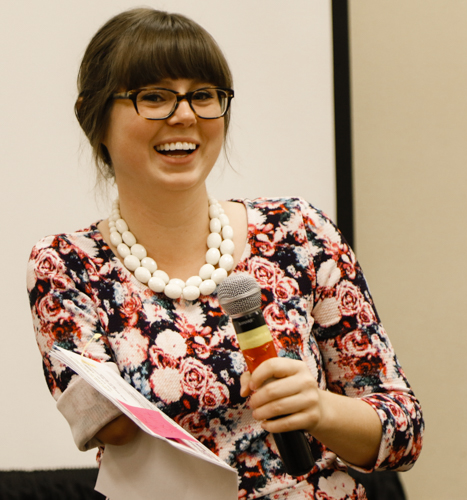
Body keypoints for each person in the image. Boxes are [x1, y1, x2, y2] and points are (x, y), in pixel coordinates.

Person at [27, 8, 423, 500]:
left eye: (204, 95)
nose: (185, 115)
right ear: (94, 116)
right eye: (153, 97)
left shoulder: (299, 232)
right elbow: (110, 428)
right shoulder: (64, 266)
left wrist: (319, 409)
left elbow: (404, 433)